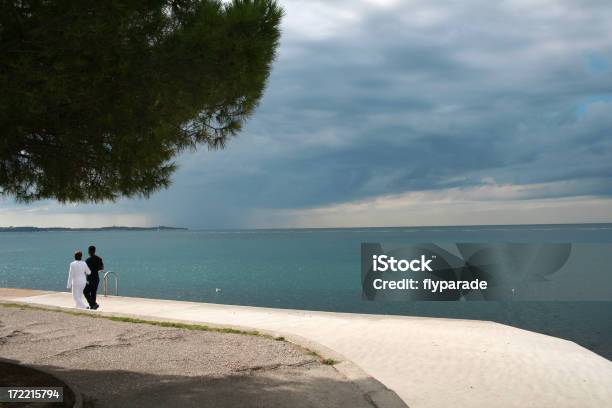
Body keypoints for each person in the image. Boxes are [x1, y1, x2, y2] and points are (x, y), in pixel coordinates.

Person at [84, 245, 104, 310]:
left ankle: (93, 304)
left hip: (90, 279)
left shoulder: (87, 260)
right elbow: (102, 268)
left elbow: (85, 270)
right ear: (94, 251)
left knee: (85, 292)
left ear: (89, 251)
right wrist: (96, 268)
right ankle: (93, 306)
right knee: (93, 292)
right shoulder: (99, 259)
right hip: (96, 278)